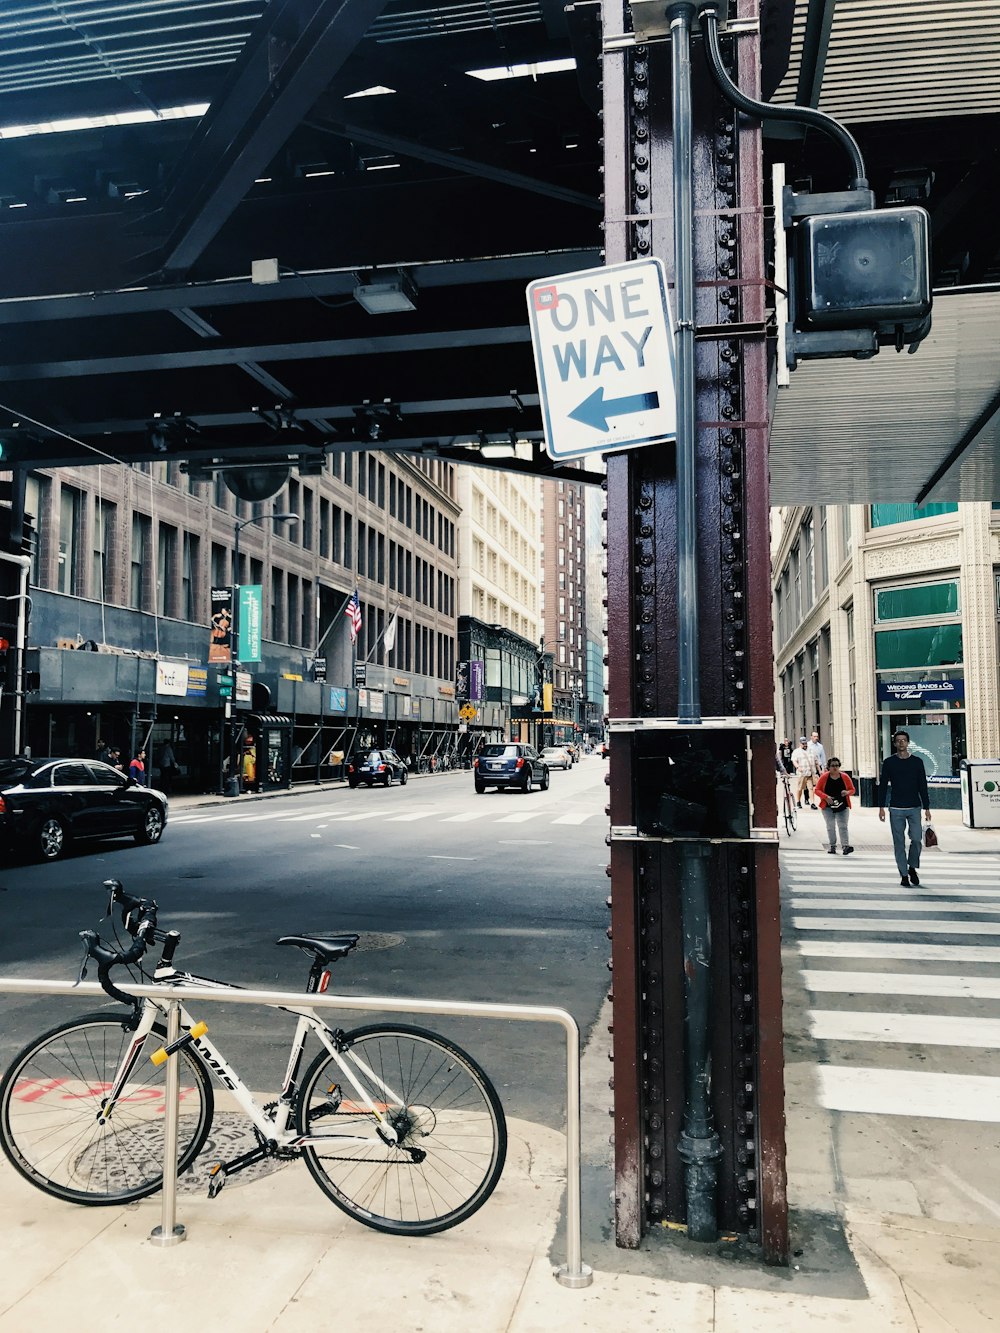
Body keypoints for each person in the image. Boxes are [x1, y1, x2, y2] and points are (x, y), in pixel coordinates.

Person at [878, 729, 932, 885]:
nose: (901, 743)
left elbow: (923, 785)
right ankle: (903, 874)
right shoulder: (889, 763)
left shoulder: (917, 762)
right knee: (899, 843)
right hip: (895, 808)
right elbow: (883, 785)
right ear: (894, 743)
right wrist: (881, 807)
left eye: (904, 740)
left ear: (908, 743)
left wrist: (927, 807)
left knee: (916, 839)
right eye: (898, 740)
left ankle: (912, 867)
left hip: (914, 806)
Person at [814, 758, 856, 855]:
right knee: (830, 826)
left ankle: (845, 846)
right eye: (833, 766)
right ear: (829, 767)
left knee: (843, 826)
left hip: (842, 805)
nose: (835, 768)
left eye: (837, 765)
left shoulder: (844, 777)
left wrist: (847, 792)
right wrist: (826, 797)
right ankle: (832, 846)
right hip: (828, 806)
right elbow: (817, 790)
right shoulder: (824, 777)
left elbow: (852, 789)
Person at [791, 737, 817, 809]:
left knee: (811, 788)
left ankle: (812, 803)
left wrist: (819, 770)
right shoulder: (796, 751)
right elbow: (794, 761)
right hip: (802, 773)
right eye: (803, 744)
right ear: (800, 744)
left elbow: (816, 761)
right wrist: (797, 767)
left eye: (805, 743)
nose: (805, 745)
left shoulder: (811, 751)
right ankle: (798, 802)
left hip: (810, 773)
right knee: (800, 788)